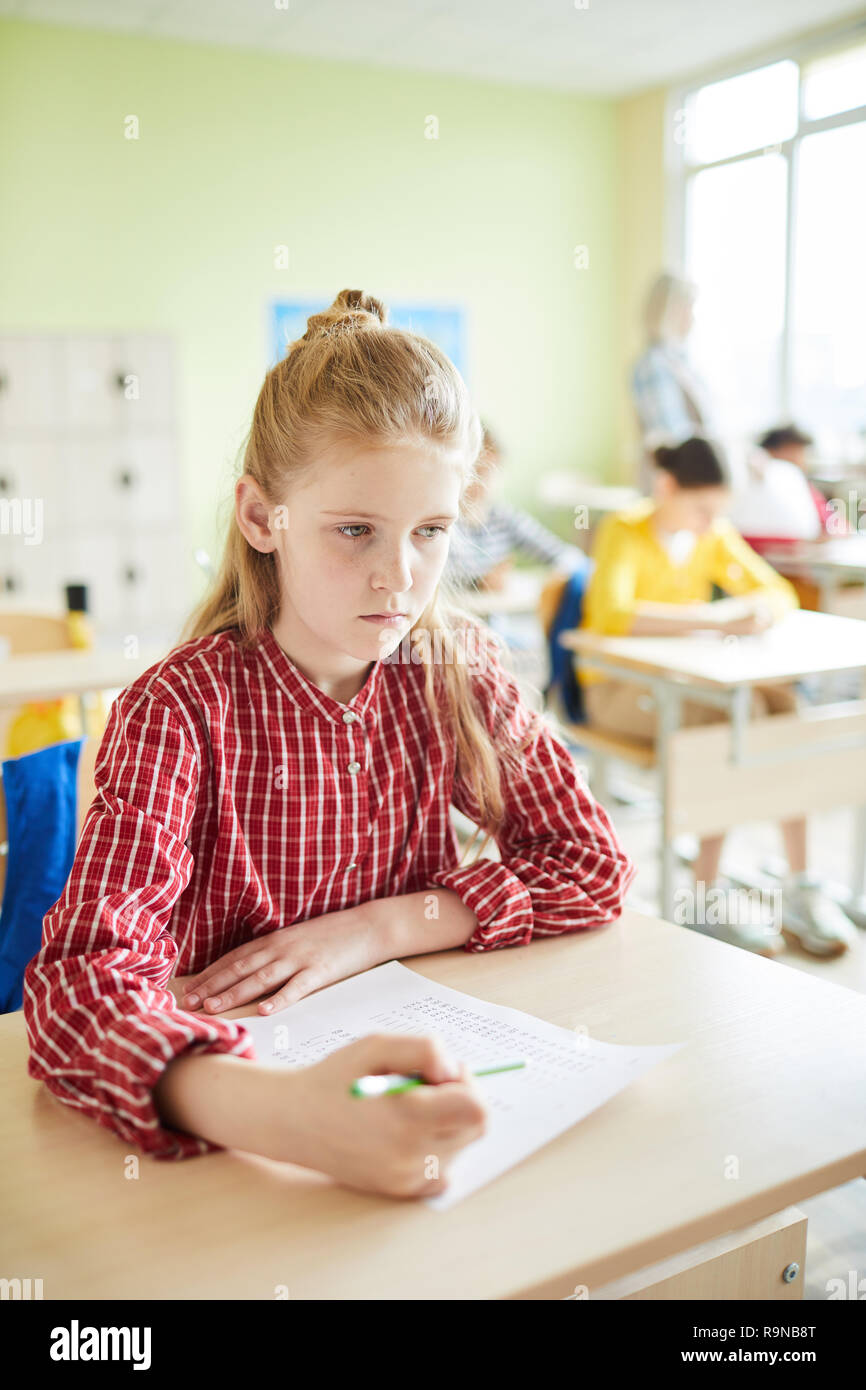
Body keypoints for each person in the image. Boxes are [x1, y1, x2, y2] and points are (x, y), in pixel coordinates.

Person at [22, 289, 635, 1200]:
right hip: (236, 1129)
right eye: (355, 531)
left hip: (419, 1068)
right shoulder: (181, 708)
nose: (399, 578)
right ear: (262, 517)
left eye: (431, 533)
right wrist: (287, 1117)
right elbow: (80, 987)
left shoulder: (455, 668)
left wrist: (377, 928)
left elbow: (590, 864)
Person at [578, 434, 857, 960]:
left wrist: (755, 611)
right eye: (701, 508)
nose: (710, 521)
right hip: (617, 688)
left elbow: (777, 591)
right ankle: (702, 897)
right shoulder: (625, 529)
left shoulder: (712, 535)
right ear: (666, 488)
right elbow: (615, 614)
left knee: (784, 709)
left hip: (686, 682)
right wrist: (714, 618)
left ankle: (800, 882)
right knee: (735, 717)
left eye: (718, 511)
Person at [444, 422, 582, 592]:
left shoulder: (505, 518)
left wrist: (557, 578)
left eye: (491, 470)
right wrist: (479, 583)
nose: (483, 480)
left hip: (495, 615)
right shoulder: (445, 520)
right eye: (476, 470)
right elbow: (436, 578)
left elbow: (565, 556)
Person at [630, 273, 716, 488]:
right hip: (673, 481)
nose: (693, 316)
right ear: (670, 310)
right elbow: (671, 436)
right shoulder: (654, 365)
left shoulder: (681, 362)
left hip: (689, 478)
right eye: (688, 306)